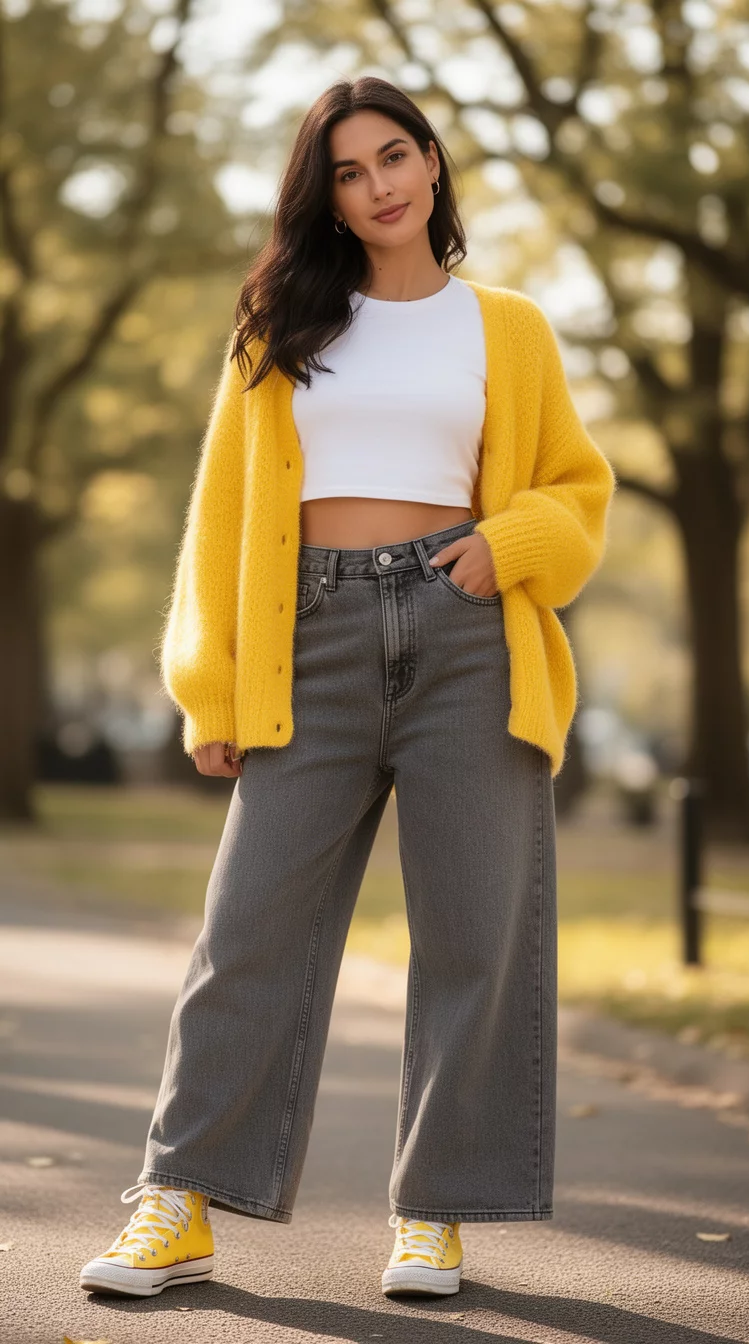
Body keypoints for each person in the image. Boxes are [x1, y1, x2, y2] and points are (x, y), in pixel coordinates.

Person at [79, 74, 616, 1301]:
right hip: (304, 638)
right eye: (349, 171)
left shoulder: (509, 327)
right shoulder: (279, 323)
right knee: (245, 929)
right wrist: (210, 690)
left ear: (432, 163)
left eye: (395, 157)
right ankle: (179, 1199)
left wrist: (508, 547)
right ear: (325, 196)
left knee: (476, 935)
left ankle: (435, 1214)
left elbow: (580, 495)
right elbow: (222, 519)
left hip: (467, 630)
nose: (377, 186)